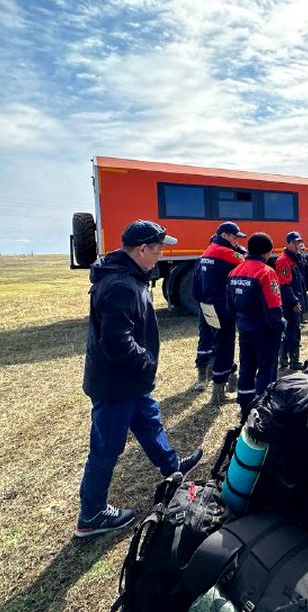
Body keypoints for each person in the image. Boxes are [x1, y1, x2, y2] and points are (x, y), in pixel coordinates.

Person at [76, 220, 203, 538]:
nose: (162, 254)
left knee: (149, 422)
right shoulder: (120, 285)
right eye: (158, 248)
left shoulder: (130, 277)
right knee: (106, 448)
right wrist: (145, 361)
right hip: (117, 384)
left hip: (131, 382)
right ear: (142, 249)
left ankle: (172, 467)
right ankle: (91, 514)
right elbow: (116, 342)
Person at [227, 232, 285, 422]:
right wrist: (280, 326)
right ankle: (262, 411)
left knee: (247, 368)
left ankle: (244, 406)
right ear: (268, 252)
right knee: (266, 371)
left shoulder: (234, 272)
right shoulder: (266, 272)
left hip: (245, 329)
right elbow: (274, 306)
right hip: (266, 332)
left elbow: (230, 306)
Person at [192, 222, 246, 404]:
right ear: (224, 235)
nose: (236, 241)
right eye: (234, 237)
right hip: (222, 306)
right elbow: (249, 264)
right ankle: (219, 391)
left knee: (209, 339)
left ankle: (210, 376)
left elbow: (196, 283)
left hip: (206, 304)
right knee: (225, 344)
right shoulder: (226, 252)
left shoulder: (207, 252)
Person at [276, 231, 306, 371]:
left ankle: (285, 360)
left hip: (293, 297)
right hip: (289, 302)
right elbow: (284, 284)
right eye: (294, 243)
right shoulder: (284, 260)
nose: (297, 245)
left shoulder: (294, 258)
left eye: (299, 242)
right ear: (287, 244)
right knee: (292, 330)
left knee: (290, 330)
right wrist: (294, 302)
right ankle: (292, 361)